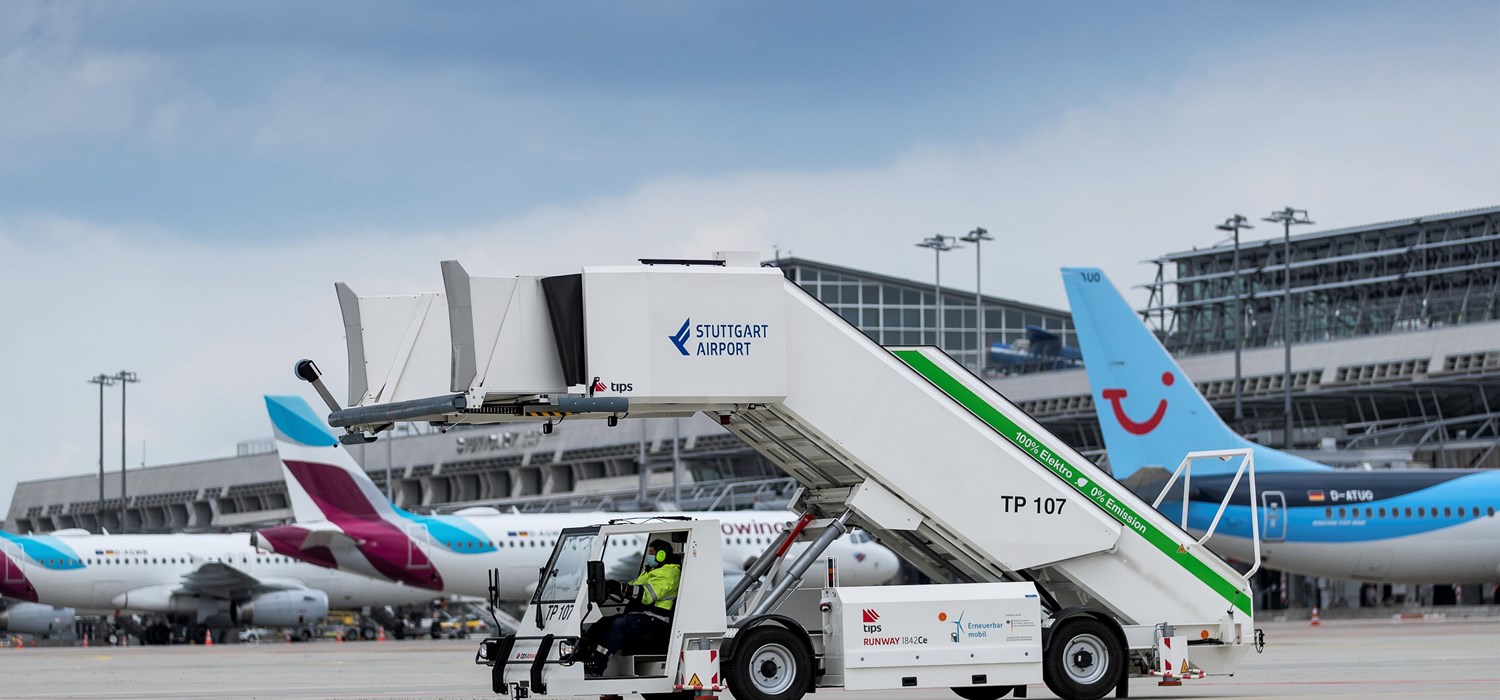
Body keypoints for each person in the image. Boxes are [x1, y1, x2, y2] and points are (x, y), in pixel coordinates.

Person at [579, 539, 681, 676]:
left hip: (656, 619)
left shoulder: (669, 574)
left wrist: (622, 588)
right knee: (602, 622)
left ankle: (598, 664)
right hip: (642, 616)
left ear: (661, 555)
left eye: (651, 553)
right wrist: (614, 587)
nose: (648, 556)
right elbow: (633, 586)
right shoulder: (650, 571)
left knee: (619, 624)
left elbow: (646, 595)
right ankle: (583, 657)